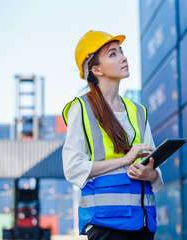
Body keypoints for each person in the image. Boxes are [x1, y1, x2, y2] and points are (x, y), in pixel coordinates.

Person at [62, 30, 163, 240]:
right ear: (96, 69)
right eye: (113, 54)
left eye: (122, 52)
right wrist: (124, 160)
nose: (124, 57)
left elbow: (154, 169)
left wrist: (150, 174)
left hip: (143, 224)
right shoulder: (81, 109)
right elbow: (72, 168)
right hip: (106, 224)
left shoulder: (138, 111)